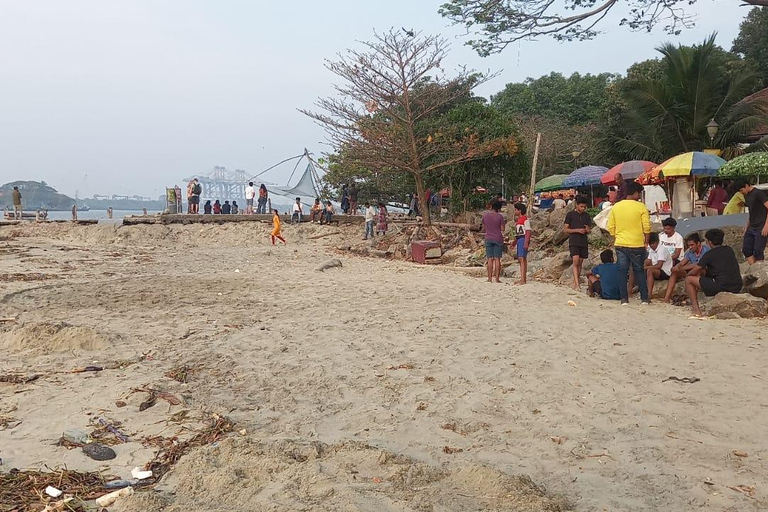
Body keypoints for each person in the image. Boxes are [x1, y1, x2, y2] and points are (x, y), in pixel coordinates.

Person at [607, 181, 651, 305]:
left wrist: (617, 236)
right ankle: (644, 298)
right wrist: (646, 241)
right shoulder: (641, 207)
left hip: (621, 243)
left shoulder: (616, 206)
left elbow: (610, 226)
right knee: (639, 271)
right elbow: (646, 227)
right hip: (637, 244)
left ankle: (624, 299)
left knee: (622, 270)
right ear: (636, 193)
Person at [686, 228, 743, 317]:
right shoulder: (729, 250)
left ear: (710, 242)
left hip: (722, 286)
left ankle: (696, 310)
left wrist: (687, 275)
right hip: (737, 285)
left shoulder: (709, 254)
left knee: (689, 280)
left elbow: (695, 271)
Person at [664, 232, 709, 303]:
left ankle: (693, 297)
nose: (690, 247)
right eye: (689, 245)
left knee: (698, 270)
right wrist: (676, 267)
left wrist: (683, 268)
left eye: (692, 245)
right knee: (675, 273)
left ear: (698, 243)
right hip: (691, 271)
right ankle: (666, 298)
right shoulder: (690, 252)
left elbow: (700, 264)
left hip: (704, 272)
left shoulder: (705, 250)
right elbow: (682, 262)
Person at [736, 178, 768, 264]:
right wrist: (747, 226)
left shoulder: (759, 193)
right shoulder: (746, 196)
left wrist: (766, 226)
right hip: (752, 226)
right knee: (746, 250)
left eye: (741, 190)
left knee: (758, 251)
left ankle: (759, 272)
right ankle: (753, 268)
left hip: (761, 226)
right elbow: (752, 212)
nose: (741, 192)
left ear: (746, 186)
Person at [564, 195, 593, 290]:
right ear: (576, 205)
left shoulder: (587, 216)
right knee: (575, 261)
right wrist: (577, 230)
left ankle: (576, 281)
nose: (583, 208)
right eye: (581, 206)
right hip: (574, 241)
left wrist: (588, 230)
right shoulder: (570, 214)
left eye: (584, 207)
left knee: (580, 262)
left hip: (583, 241)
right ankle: (577, 284)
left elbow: (589, 229)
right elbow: (566, 229)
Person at [482, 200, 506, 283]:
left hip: (488, 237)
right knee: (497, 259)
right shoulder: (500, 217)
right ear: (499, 208)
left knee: (489, 259)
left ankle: (489, 278)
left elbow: (484, 228)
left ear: (491, 206)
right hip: (498, 238)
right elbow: (503, 229)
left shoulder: (485, 216)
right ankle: (497, 279)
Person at [645, 232, 673, 300]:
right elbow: (648, 260)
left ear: (657, 242)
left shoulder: (662, 250)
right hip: (657, 269)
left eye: (653, 243)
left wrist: (646, 267)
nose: (651, 245)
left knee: (650, 271)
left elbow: (659, 265)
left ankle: (649, 293)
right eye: (650, 244)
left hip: (665, 272)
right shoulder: (651, 250)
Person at [513, 203, 532, 285]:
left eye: (516, 210)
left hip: (523, 239)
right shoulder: (519, 220)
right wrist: (514, 242)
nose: (514, 211)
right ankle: (522, 278)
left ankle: (523, 279)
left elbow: (528, 231)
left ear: (519, 210)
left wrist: (526, 242)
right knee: (521, 259)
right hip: (519, 239)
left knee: (522, 259)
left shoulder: (525, 220)